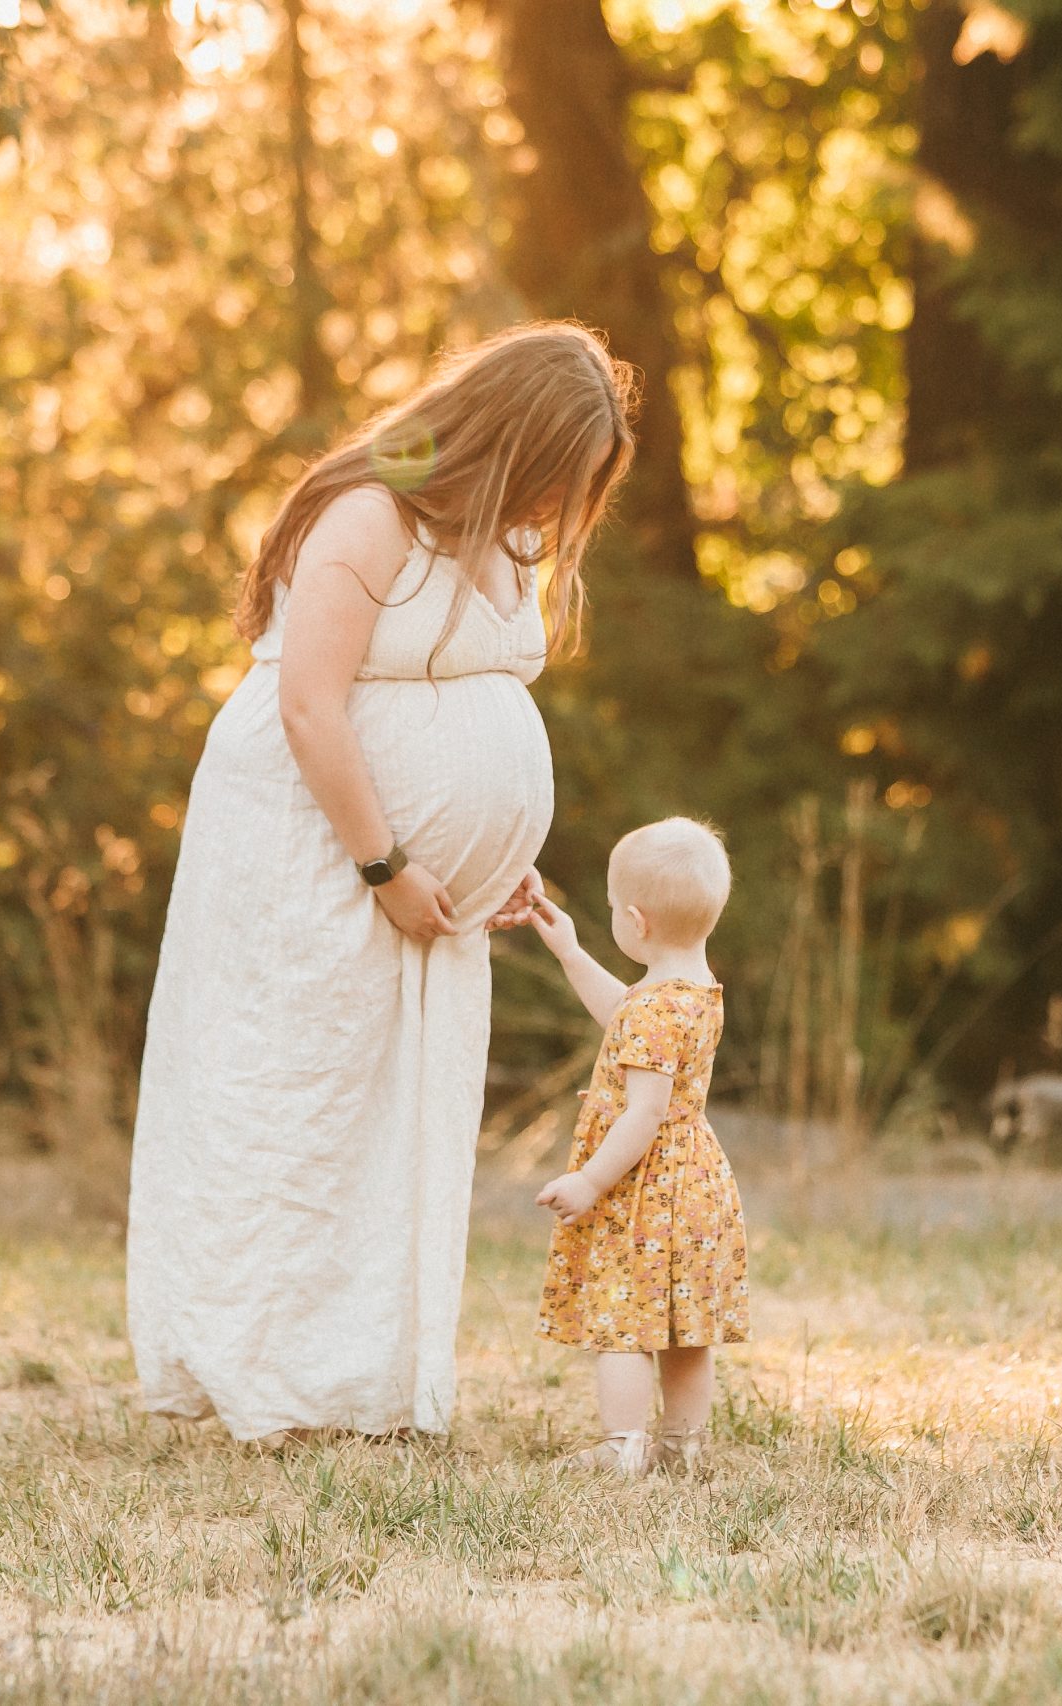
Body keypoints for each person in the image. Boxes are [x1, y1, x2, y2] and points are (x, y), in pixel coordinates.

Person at [127, 323, 637, 1441]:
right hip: (306, 848)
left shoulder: (497, 531)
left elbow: (467, 704)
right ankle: (266, 1371)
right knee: (293, 1099)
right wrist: (388, 864)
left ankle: (363, 1376)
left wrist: (491, 850)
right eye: (554, 470)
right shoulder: (371, 511)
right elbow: (312, 704)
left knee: (393, 1112)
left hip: (414, 887)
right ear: (505, 437)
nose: (559, 501)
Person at [524, 817, 747, 1475]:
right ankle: (682, 1445)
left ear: (635, 921)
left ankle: (622, 1448)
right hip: (696, 1184)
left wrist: (589, 1182)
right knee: (683, 1326)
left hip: (647, 1190)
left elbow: (644, 1113)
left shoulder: (653, 1009)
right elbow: (625, 1014)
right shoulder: (692, 992)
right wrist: (569, 951)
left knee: (623, 1323)